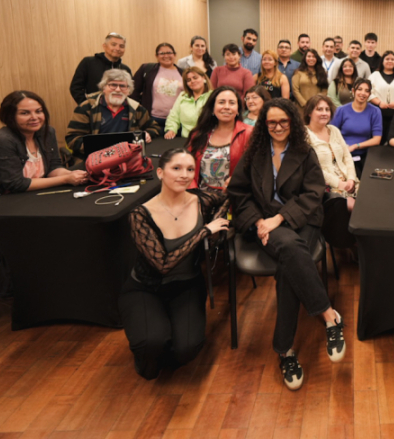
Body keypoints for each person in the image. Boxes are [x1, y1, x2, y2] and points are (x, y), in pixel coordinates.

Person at [0, 91, 88, 341]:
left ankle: (0, 294)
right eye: (25, 112)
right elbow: (16, 183)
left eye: (38, 111)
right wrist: (65, 179)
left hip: (5, 206)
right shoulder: (0, 141)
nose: (34, 117)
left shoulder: (47, 132)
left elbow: (54, 165)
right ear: (10, 116)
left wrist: (70, 175)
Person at [228, 98, 346, 391]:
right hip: (264, 225)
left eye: (284, 121)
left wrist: (279, 219)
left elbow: (313, 193)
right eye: (272, 122)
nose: (278, 127)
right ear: (263, 124)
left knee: (288, 267)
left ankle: (285, 351)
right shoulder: (253, 153)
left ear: (292, 122)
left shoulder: (304, 152)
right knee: (292, 253)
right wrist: (259, 222)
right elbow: (238, 194)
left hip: (301, 221)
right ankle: (329, 316)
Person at [120, 148, 230, 379]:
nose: (184, 175)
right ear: (160, 172)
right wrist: (203, 232)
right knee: (151, 351)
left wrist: (217, 221)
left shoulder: (201, 200)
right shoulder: (140, 214)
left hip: (187, 286)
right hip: (146, 288)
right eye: (176, 168)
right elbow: (162, 263)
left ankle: (166, 335)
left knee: (187, 351)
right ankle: (150, 348)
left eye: (190, 169)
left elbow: (228, 198)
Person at [66, 70, 161, 160]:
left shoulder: (136, 108)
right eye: (113, 85)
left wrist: (148, 134)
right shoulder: (87, 107)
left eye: (123, 86)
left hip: (128, 158)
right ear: (104, 88)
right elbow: (72, 138)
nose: (118, 89)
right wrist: (99, 149)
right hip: (94, 159)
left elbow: (154, 127)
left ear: (128, 91)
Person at [304, 95, 358, 249]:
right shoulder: (304, 135)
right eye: (319, 109)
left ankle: (363, 246)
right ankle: (350, 245)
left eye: (327, 109)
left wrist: (352, 179)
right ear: (309, 112)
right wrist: (340, 184)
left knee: (371, 204)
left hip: (348, 181)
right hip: (326, 188)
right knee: (356, 207)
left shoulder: (333, 130)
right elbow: (314, 169)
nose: (324, 113)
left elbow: (347, 156)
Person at [185, 87, 251, 191]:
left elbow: (255, 169)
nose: (227, 107)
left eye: (232, 103)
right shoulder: (198, 134)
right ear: (212, 108)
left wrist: (238, 182)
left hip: (236, 196)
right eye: (221, 102)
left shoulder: (249, 133)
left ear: (238, 110)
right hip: (200, 195)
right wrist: (193, 193)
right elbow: (187, 167)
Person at [331, 79, 382, 175]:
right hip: (342, 154)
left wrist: (356, 146)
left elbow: (377, 139)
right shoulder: (341, 110)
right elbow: (332, 134)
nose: (363, 93)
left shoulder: (375, 111)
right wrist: (343, 149)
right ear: (353, 91)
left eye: (367, 91)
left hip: (365, 155)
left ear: (370, 94)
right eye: (360, 89)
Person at [131, 43, 183, 130]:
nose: (166, 56)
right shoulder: (147, 69)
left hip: (177, 120)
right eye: (162, 53)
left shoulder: (184, 73)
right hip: (152, 119)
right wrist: (138, 112)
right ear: (156, 56)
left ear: (175, 55)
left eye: (169, 53)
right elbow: (134, 91)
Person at [70, 32, 131, 104]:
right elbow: (75, 88)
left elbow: (129, 92)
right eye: (113, 45)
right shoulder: (88, 62)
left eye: (121, 46)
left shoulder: (125, 69)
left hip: (119, 111)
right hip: (94, 110)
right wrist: (87, 106)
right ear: (104, 46)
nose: (117, 48)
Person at [164, 67, 213, 139]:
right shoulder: (182, 96)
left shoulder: (213, 96)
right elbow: (174, 116)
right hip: (186, 139)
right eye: (189, 80)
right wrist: (171, 129)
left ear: (204, 78)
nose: (192, 81)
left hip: (208, 138)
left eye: (195, 78)